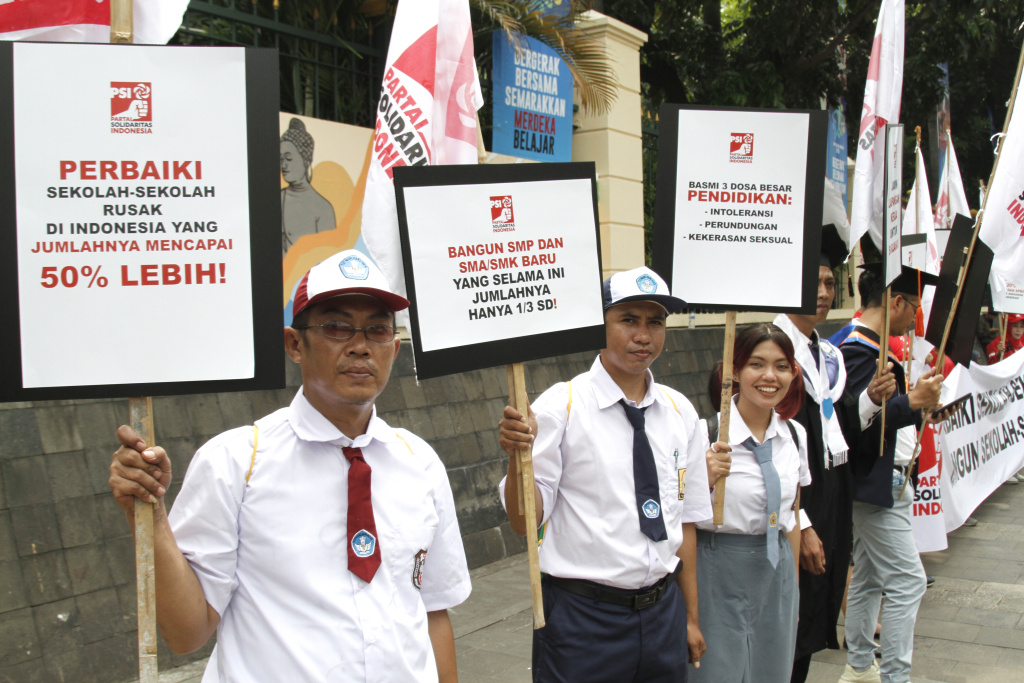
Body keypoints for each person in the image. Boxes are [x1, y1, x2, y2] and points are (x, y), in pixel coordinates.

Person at [108, 250, 471, 682]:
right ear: (295, 344)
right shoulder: (236, 463)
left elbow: (432, 611)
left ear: (394, 347)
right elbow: (187, 634)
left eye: (377, 329)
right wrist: (150, 518)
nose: (360, 345)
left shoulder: (420, 463)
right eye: (337, 327)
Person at [498, 266, 712, 682]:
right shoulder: (560, 407)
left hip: (663, 612)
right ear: (600, 325)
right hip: (583, 620)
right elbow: (525, 522)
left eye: (656, 322)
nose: (644, 336)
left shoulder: (680, 411)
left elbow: (684, 524)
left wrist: (689, 617)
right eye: (628, 320)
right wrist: (516, 455)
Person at [770, 226, 896, 683]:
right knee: (789, 620)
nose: (823, 293)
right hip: (796, 500)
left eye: (828, 283)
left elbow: (838, 421)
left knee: (814, 612)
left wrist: (873, 401)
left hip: (831, 488)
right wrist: (799, 521)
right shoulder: (772, 350)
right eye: (813, 283)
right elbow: (767, 437)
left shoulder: (825, 353)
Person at [837, 264, 944, 683]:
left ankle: (860, 665)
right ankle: (894, 676)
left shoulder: (876, 345)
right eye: (914, 307)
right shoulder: (857, 349)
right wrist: (912, 401)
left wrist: (915, 402)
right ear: (895, 301)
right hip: (874, 480)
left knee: (867, 576)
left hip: (887, 479)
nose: (915, 317)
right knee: (907, 582)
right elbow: (856, 424)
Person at [692, 324, 808, 682]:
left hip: (776, 572)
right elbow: (676, 518)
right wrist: (703, 480)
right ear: (735, 372)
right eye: (757, 364)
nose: (769, 376)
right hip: (715, 571)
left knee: (771, 673)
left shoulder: (794, 435)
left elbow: (792, 517)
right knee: (715, 674)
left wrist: (794, 593)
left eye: (781, 365)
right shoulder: (702, 436)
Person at [281, 117, 337, 256]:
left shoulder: (323, 208)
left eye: (289, 158)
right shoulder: (278, 199)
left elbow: (329, 259)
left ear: (305, 160)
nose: (284, 165)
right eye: (280, 159)